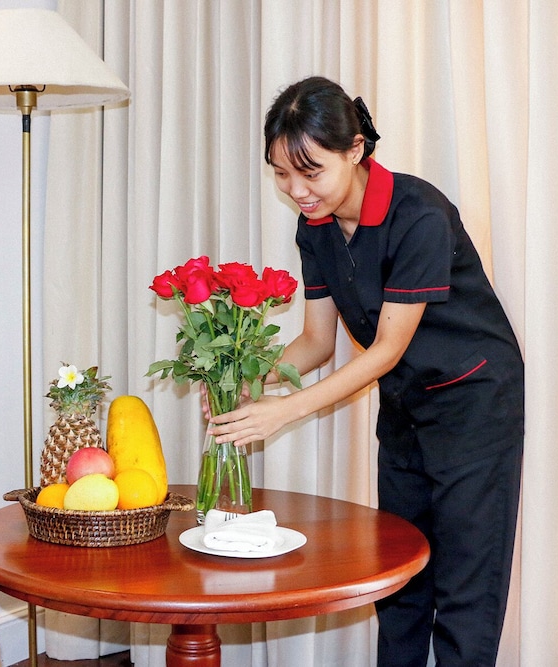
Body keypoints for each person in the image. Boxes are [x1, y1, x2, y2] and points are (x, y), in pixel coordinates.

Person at [207, 76, 525, 666]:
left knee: (466, 585)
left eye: (310, 172)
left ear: (355, 150)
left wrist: (283, 412)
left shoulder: (418, 214)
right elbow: (316, 341)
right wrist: (250, 382)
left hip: (475, 401)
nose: (297, 190)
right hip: (406, 401)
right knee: (400, 576)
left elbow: (385, 349)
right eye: (281, 174)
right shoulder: (316, 225)